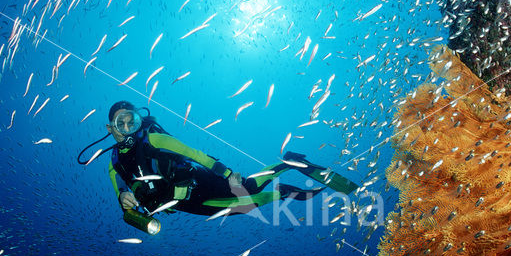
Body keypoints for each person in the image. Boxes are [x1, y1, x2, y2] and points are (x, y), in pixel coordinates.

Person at [106, 100, 358, 218]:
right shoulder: (114, 162)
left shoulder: (153, 139)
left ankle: (287, 164)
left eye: (132, 121)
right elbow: (121, 192)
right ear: (111, 128)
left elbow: (194, 154)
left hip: (197, 183)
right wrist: (123, 199)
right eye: (121, 123)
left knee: (246, 191)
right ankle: (285, 187)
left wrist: (227, 174)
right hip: (178, 203)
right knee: (243, 207)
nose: (128, 128)